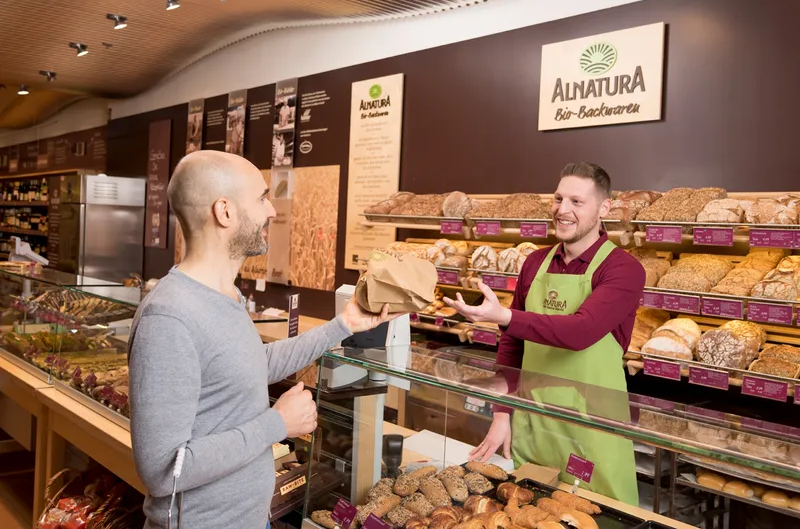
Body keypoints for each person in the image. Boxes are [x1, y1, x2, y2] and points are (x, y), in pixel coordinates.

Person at [128, 151, 396, 529]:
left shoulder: (225, 296)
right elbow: (163, 471)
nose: (272, 211)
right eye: (262, 198)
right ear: (225, 212)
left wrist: (343, 324)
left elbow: (254, 363)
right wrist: (277, 424)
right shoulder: (168, 317)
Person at [444, 162, 644, 505]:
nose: (562, 211)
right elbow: (512, 344)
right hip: (534, 424)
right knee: (529, 513)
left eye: (576, 202)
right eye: (558, 198)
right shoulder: (534, 263)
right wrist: (502, 413)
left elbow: (581, 331)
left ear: (604, 208)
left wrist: (505, 315)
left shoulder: (623, 269)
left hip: (592, 430)